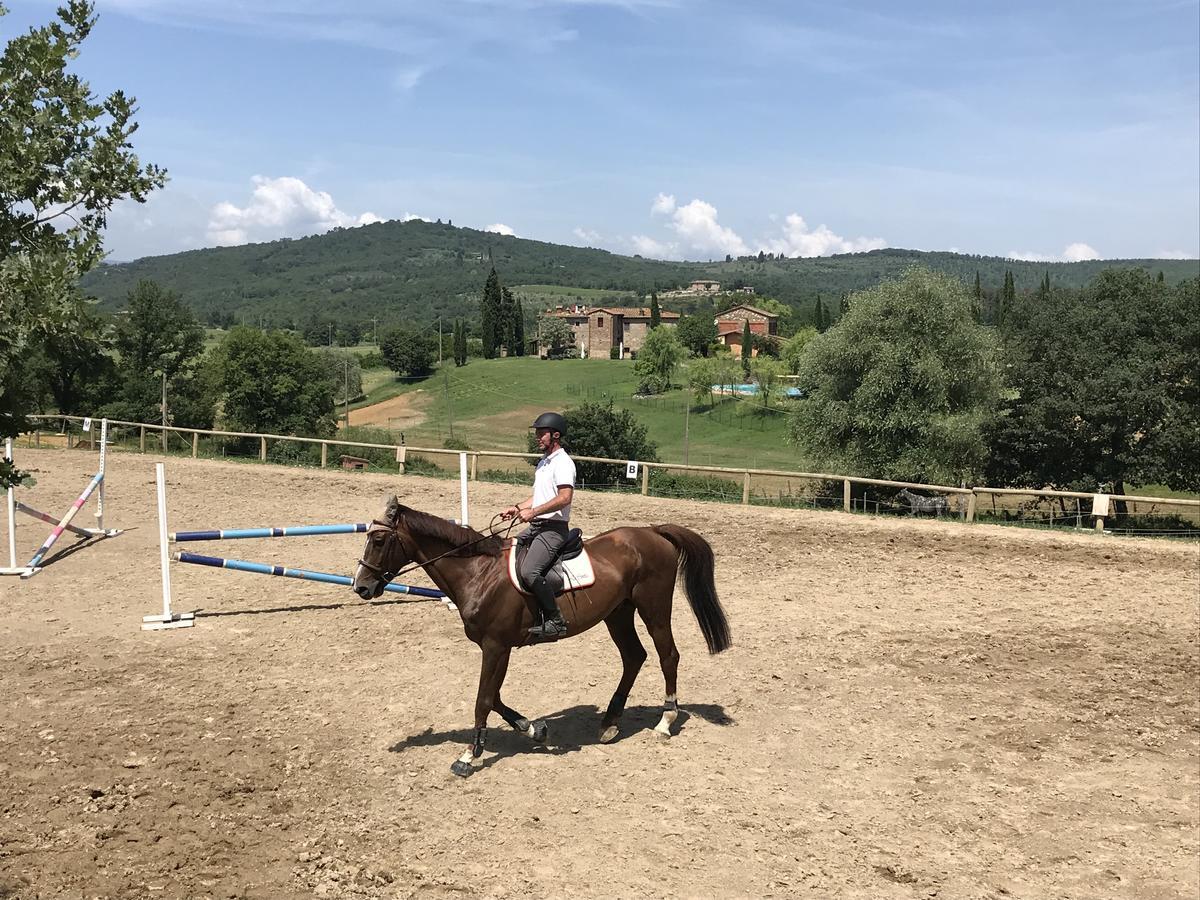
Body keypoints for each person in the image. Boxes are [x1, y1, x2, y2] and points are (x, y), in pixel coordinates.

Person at [501, 412, 575, 641]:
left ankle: (555, 620)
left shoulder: (563, 463)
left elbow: (564, 497)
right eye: (537, 433)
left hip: (553, 529)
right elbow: (539, 496)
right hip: (537, 526)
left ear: (555, 435)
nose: (537, 437)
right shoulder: (543, 463)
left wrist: (532, 512)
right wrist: (517, 507)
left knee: (529, 571)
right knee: (507, 551)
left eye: (541, 433)